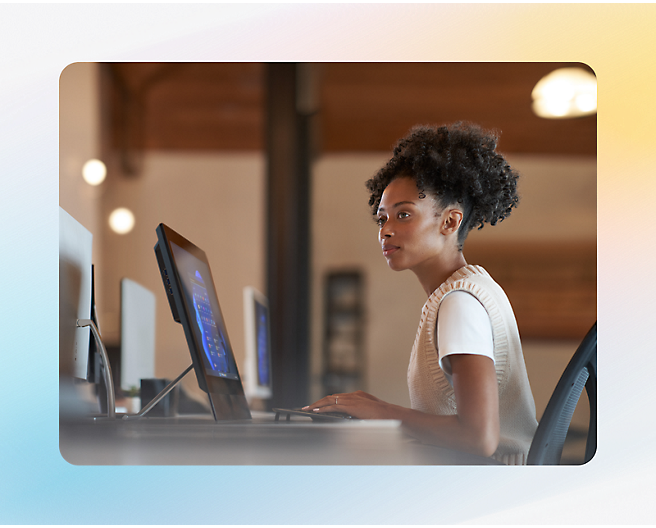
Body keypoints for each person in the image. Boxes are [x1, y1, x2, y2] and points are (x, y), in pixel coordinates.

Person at [304, 122, 538, 465]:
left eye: (403, 214)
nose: (385, 230)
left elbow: (479, 438)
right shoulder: (465, 291)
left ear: (450, 222)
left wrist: (380, 411)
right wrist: (375, 411)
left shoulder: (460, 304)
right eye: (382, 218)